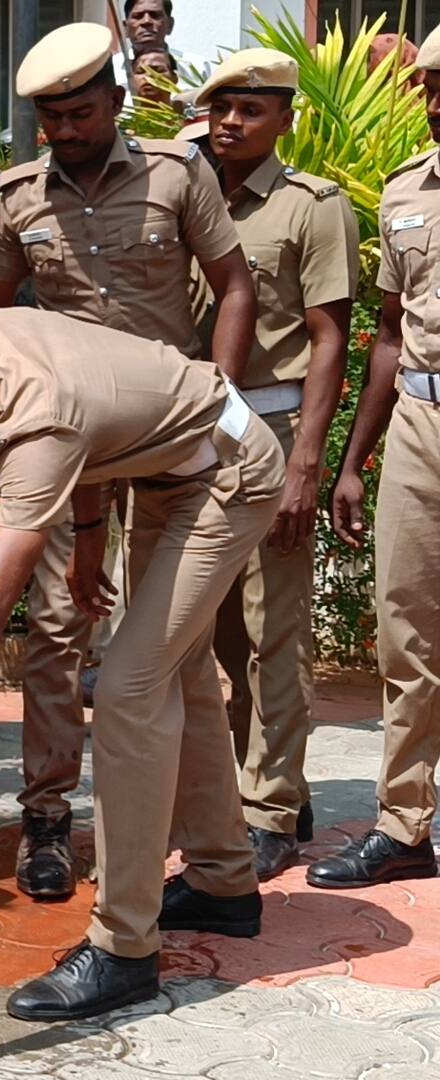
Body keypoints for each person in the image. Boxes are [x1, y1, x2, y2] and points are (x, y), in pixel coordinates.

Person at [0, 292, 281, 1021]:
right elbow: (98, 405)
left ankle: (126, 949)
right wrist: (90, 531)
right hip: (165, 468)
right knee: (180, 669)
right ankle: (224, 882)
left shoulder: (33, 416)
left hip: (228, 472)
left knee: (132, 686)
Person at [0, 21, 255, 902]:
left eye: (79, 112)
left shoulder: (178, 175)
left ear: (117, 100)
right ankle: (50, 816)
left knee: (168, 644)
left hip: (173, 439)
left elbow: (234, 282)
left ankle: (177, 829)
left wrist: (221, 394)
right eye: (49, 118)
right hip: (68, 444)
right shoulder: (18, 199)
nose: (62, 131)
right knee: (60, 625)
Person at [188, 50, 358, 881]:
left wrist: (305, 467)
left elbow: (331, 337)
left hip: (274, 427)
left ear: (285, 117)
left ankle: (272, 807)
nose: (229, 122)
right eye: (220, 107)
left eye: (249, 109)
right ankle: (265, 781)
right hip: (197, 443)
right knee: (217, 631)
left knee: (274, 633)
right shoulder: (189, 197)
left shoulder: (310, 206)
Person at [307, 26, 440, 890]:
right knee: (406, 629)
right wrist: (356, 458)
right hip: (422, 429)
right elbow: (388, 336)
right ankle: (405, 822)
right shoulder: (403, 196)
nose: (437, 103)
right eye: (431, 88)